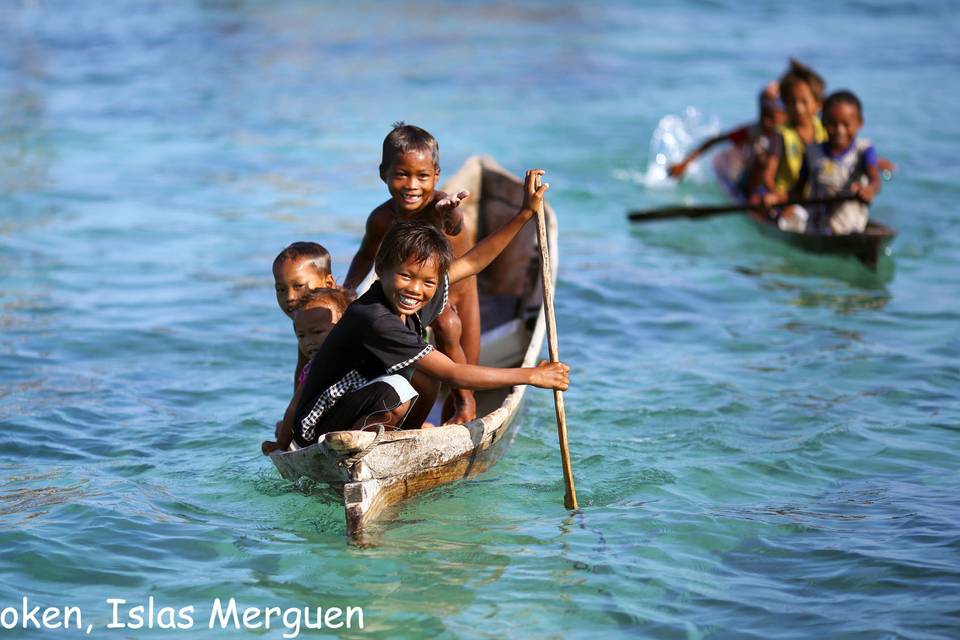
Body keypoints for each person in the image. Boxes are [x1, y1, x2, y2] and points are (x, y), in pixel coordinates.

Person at [263, 170, 569, 453]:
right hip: (317, 425)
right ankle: (363, 452)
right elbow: (455, 372)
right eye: (406, 276)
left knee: (425, 377)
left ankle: (403, 436)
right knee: (400, 387)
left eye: (427, 281)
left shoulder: (419, 292)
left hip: (355, 403)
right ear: (381, 270)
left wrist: (525, 214)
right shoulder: (374, 318)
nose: (415, 289)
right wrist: (532, 375)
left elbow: (474, 261)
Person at [342, 122, 481, 426]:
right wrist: (348, 290)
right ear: (384, 174)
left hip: (460, 294)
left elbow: (454, 223)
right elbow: (366, 254)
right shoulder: (381, 218)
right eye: (401, 174)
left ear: (436, 176)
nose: (412, 185)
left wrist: (451, 210)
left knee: (455, 340)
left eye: (422, 176)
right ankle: (399, 414)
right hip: (419, 298)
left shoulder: (441, 208)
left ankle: (465, 404)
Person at [776, 90, 881, 235]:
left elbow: (875, 178)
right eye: (832, 124)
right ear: (822, 122)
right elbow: (798, 189)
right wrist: (781, 202)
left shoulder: (863, 151)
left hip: (850, 229)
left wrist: (869, 190)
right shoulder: (812, 152)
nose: (840, 131)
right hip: (815, 229)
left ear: (859, 123)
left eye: (846, 124)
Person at [669, 82, 786, 198]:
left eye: (770, 114)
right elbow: (713, 141)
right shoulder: (752, 132)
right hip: (752, 185)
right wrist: (684, 164)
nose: (766, 121)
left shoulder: (788, 134)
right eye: (764, 114)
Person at [754, 59, 827, 204]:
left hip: (815, 197)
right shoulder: (781, 135)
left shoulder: (825, 129)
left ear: (818, 104)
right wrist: (778, 196)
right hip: (786, 198)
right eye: (791, 102)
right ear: (785, 104)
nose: (798, 109)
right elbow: (767, 176)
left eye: (804, 102)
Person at [273, 242, 338, 388]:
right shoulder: (307, 324)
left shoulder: (342, 319)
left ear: (328, 284)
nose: (289, 297)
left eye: (299, 286)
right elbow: (302, 377)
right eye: (281, 289)